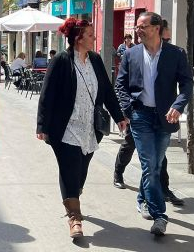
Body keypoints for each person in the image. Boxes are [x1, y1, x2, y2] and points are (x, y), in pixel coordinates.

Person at [36, 18, 128, 238]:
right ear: (77, 38)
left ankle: (73, 196)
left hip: (89, 128)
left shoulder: (95, 60)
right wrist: (42, 125)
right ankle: (74, 218)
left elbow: (106, 90)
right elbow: (47, 95)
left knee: (80, 173)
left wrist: (119, 117)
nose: (94, 37)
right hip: (65, 128)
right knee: (69, 170)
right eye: (89, 34)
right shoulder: (61, 60)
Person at [115, 12, 193, 236]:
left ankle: (142, 198)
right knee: (150, 165)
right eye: (137, 27)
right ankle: (160, 215)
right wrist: (129, 108)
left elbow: (187, 83)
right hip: (141, 117)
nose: (138, 30)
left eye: (143, 26)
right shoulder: (131, 54)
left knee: (155, 166)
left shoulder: (176, 54)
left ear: (157, 28)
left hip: (165, 117)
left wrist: (178, 106)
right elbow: (120, 85)